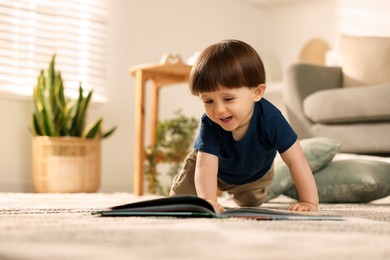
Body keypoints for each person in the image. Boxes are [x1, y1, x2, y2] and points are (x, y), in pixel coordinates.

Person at [170, 39, 318, 213]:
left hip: (253, 175)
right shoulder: (210, 123)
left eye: (228, 99)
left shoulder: (271, 119)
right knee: (180, 201)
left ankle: (247, 192)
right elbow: (206, 168)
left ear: (257, 92)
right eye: (208, 101)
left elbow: (296, 159)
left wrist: (309, 202)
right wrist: (209, 201)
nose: (219, 110)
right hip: (210, 168)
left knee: (250, 203)